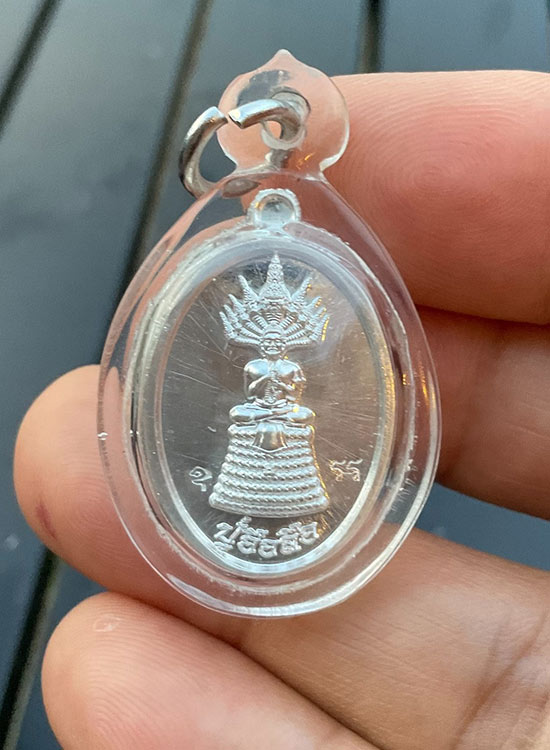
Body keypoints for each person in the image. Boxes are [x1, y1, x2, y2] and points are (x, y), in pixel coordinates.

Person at [14, 71, 550, 749]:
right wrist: (257, 410)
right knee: (250, 424)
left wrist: (283, 409)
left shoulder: (295, 364)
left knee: (286, 426)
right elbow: (253, 401)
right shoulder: (256, 363)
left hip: (293, 456)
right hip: (248, 460)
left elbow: (294, 401)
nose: (272, 354)